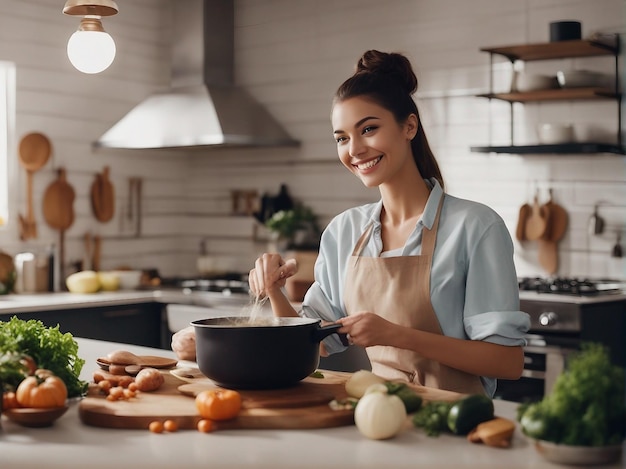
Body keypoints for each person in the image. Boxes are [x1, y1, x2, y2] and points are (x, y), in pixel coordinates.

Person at [174, 49, 530, 397]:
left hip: (457, 425)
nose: (355, 149)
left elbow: (507, 362)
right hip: (379, 417)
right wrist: (274, 290)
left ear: (409, 126)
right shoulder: (345, 231)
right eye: (342, 138)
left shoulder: (476, 226)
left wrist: (396, 334)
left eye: (369, 129)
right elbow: (316, 343)